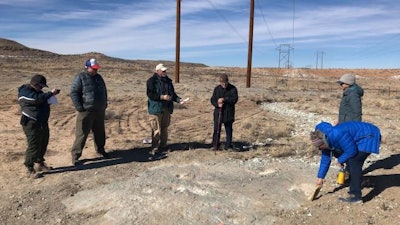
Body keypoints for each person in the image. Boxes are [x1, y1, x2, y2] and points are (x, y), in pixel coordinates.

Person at [310, 121, 381, 203]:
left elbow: (351, 151)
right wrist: (320, 178)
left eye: (320, 147)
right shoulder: (325, 140)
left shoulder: (337, 134)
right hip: (359, 138)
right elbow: (325, 160)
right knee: (349, 160)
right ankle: (359, 181)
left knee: (354, 161)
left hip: (369, 136)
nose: (320, 149)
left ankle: (356, 196)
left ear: (324, 142)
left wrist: (340, 160)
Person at [18, 74, 60, 178]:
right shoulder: (24, 91)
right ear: (35, 84)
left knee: (43, 141)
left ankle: (39, 162)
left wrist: (50, 97)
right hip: (31, 122)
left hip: (42, 121)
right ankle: (29, 167)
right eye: (40, 86)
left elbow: (42, 99)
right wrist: (50, 94)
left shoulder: (38, 92)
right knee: (34, 144)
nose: (41, 88)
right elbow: (36, 100)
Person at [70, 58, 109, 166]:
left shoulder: (99, 77)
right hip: (86, 111)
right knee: (82, 134)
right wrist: (79, 107)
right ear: (87, 67)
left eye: (97, 68)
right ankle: (76, 156)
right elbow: (74, 92)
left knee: (100, 132)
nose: (96, 70)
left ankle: (101, 150)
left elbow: (104, 91)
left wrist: (104, 103)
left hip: (99, 110)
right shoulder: (80, 77)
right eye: (94, 68)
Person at [146, 63, 183, 154]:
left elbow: (172, 94)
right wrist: (162, 97)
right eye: (163, 71)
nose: (164, 72)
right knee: (156, 129)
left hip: (166, 108)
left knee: (164, 128)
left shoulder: (168, 81)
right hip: (156, 108)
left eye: (165, 70)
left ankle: (163, 146)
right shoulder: (151, 81)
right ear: (157, 71)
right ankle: (154, 147)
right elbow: (150, 94)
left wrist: (178, 100)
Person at [210, 74, 238, 150]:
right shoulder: (217, 89)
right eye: (222, 83)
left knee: (228, 130)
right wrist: (217, 104)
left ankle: (228, 146)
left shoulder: (233, 89)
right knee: (216, 130)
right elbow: (212, 100)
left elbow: (234, 99)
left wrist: (224, 99)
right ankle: (215, 145)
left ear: (227, 81)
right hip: (218, 113)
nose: (224, 84)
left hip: (228, 113)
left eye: (225, 82)